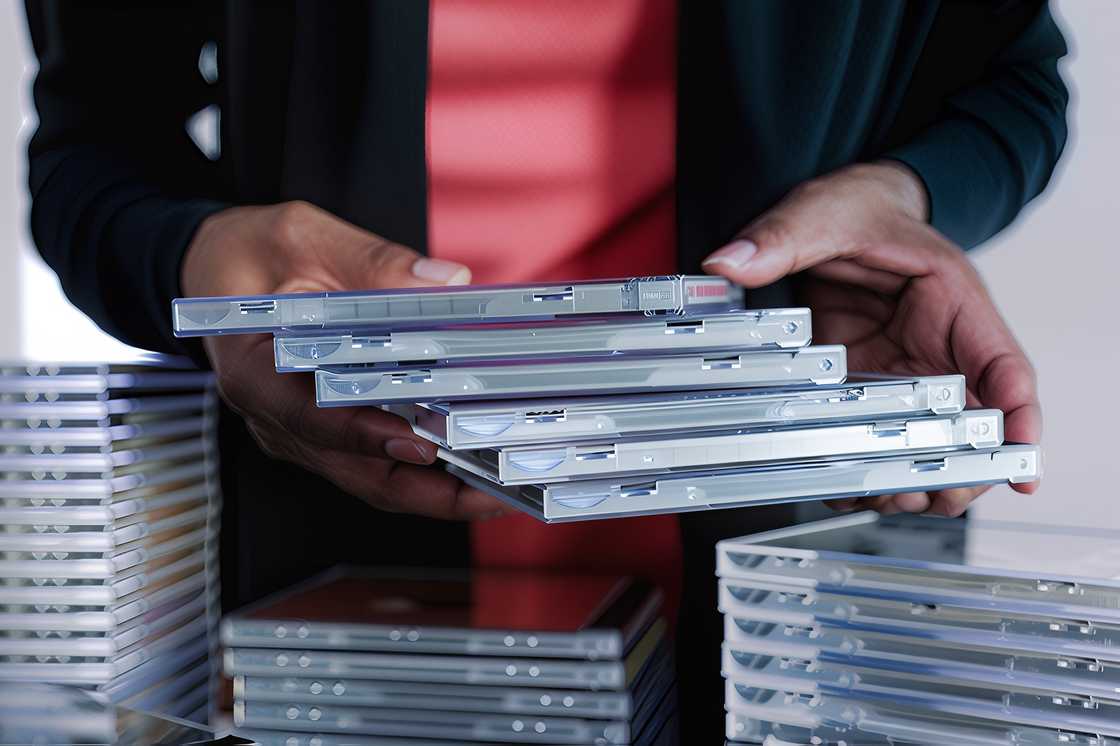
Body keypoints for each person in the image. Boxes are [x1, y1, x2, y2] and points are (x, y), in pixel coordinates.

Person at [24, 1, 1067, 737]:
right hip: (342, 586)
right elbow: (92, 147)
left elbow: (1012, 79)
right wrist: (200, 263)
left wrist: (908, 196)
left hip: (793, 545)